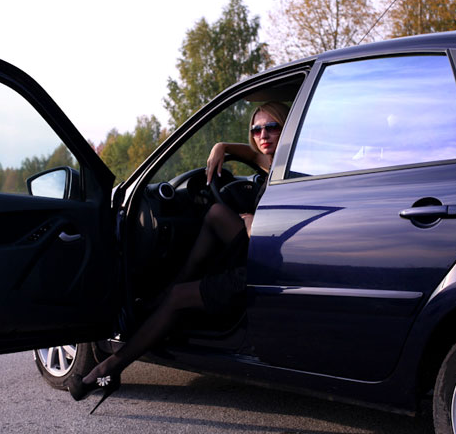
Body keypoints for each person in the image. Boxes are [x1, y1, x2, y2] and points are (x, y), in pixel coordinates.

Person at [69, 102, 290, 413]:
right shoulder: (275, 162)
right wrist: (221, 146)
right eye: (256, 129)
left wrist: (254, 223)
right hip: (257, 258)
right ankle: (169, 293)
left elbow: (282, 228)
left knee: (177, 297)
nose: (262, 135)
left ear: (287, 128)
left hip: (262, 271)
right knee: (215, 213)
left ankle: (108, 370)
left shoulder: (290, 171)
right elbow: (253, 154)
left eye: (272, 127)